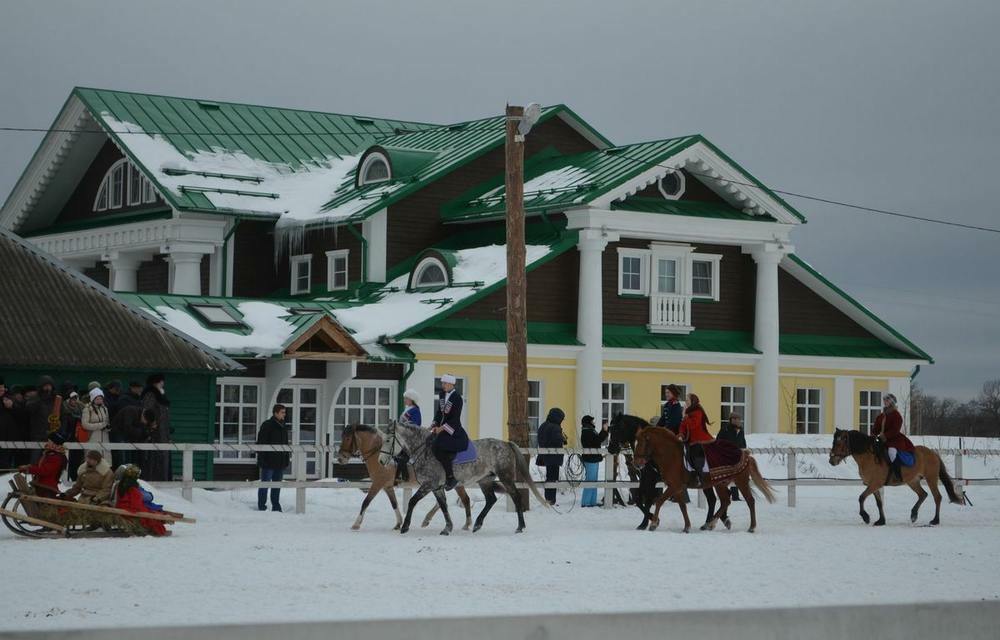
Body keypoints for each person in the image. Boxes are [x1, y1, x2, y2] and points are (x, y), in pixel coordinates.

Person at [430, 374, 469, 490]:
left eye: (445, 384)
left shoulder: (457, 398)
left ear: (451, 384)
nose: (443, 386)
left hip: (453, 431)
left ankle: (451, 477)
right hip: (441, 429)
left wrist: (441, 428)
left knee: (440, 447)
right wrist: (434, 423)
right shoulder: (442, 394)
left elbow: (454, 418)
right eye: (442, 383)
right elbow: (439, 412)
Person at [113, 464, 169, 536]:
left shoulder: (120, 484)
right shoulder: (133, 487)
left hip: (121, 506)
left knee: (149, 511)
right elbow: (136, 504)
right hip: (129, 509)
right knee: (151, 517)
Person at [871, 393, 915, 482]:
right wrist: (873, 434)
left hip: (894, 439)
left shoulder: (896, 415)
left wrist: (885, 436)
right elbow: (876, 428)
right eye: (884, 400)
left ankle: (897, 474)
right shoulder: (881, 416)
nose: (885, 402)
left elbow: (895, 430)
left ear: (892, 402)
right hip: (882, 439)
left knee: (891, 452)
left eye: (887, 400)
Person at [256, 404, 290, 512]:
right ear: (276, 413)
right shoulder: (267, 425)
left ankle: (276, 506)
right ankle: (262, 506)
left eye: (284, 412)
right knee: (265, 484)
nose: (284, 414)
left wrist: (286, 458)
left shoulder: (284, 426)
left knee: (277, 485)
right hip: (268, 461)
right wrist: (262, 459)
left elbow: (285, 444)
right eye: (282, 412)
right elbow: (261, 443)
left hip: (280, 462)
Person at [679, 393, 715, 487]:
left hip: (700, 439)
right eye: (686, 400)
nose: (686, 402)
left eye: (687, 400)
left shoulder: (698, 412)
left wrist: (685, 416)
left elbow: (693, 425)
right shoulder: (687, 412)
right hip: (690, 440)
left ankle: (700, 477)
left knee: (696, 456)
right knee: (686, 456)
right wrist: (681, 434)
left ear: (692, 401)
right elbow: (683, 425)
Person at [140, 374, 172, 481]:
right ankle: (154, 480)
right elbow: (147, 412)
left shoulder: (160, 395)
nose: (163, 383)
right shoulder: (151, 395)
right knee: (154, 458)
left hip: (163, 432)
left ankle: (162, 479)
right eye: (160, 381)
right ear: (155, 382)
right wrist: (152, 424)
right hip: (155, 433)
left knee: (162, 457)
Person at [18, 431, 67, 498]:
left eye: (49, 441)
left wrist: (29, 469)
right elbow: (39, 467)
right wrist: (28, 467)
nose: (47, 443)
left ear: (55, 444)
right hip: (40, 486)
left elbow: (44, 471)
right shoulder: (49, 454)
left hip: (47, 489)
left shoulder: (56, 457)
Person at [536, 407, 568, 505]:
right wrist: (563, 439)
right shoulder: (555, 427)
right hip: (554, 457)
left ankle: (548, 499)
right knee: (552, 478)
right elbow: (557, 440)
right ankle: (551, 500)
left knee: (549, 477)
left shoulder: (543, 425)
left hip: (544, 456)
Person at [25, 376, 57, 463]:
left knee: (51, 461)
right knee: (35, 459)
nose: (47, 388)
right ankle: (32, 476)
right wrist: (40, 399)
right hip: (37, 435)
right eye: (45, 386)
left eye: (49, 386)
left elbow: (63, 415)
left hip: (52, 435)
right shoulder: (35, 398)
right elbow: (29, 409)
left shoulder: (56, 399)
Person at [579, 416, 608, 507]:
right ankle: (586, 502)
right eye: (592, 421)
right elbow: (598, 440)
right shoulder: (587, 431)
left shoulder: (589, 430)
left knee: (593, 480)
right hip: (591, 459)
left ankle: (592, 502)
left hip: (592, 458)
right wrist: (604, 430)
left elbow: (597, 440)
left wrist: (604, 431)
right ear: (588, 422)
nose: (594, 422)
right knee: (590, 480)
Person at [717, 412, 747, 500]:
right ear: (732, 420)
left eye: (739, 419)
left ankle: (735, 495)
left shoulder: (740, 430)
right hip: (726, 457)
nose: (739, 421)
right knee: (726, 476)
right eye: (737, 419)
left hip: (737, 456)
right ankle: (725, 492)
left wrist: (743, 450)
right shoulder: (725, 429)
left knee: (737, 474)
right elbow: (718, 442)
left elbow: (743, 443)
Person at [81, 388, 112, 465]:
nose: (99, 401)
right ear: (93, 399)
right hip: (92, 438)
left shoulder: (105, 409)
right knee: (92, 459)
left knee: (105, 462)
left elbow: (107, 421)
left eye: (101, 399)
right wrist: (100, 425)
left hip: (105, 437)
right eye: (97, 399)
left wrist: (108, 427)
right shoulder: (87, 409)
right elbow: (85, 425)